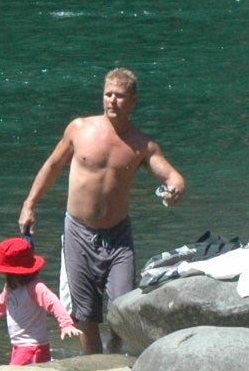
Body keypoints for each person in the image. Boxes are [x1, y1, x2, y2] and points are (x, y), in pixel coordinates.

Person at [19, 68, 186, 354]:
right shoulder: (79, 129)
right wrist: (29, 205)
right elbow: (52, 166)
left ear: (133, 100)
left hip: (118, 235)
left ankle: (116, 346)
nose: (112, 100)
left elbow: (172, 176)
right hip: (79, 232)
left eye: (119, 96)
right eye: (108, 94)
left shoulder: (141, 144)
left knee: (123, 306)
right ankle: (94, 363)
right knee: (85, 315)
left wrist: (175, 188)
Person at [0, 235, 80, 364]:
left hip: (33, 346)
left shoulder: (35, 287)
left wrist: (66, 324)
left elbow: (53, 302)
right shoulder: (10, 288)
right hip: (19, 346)